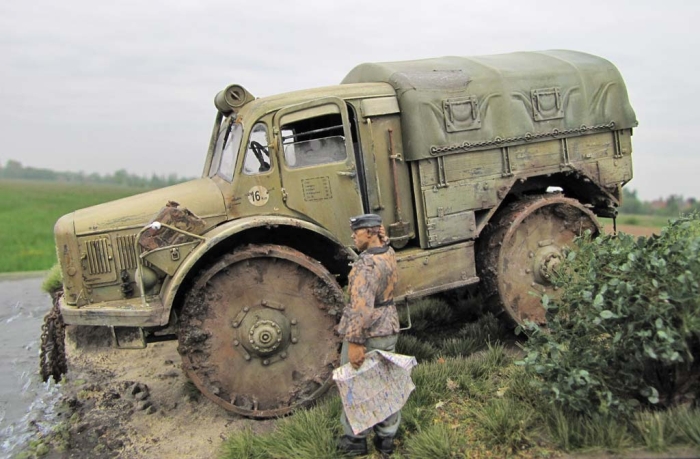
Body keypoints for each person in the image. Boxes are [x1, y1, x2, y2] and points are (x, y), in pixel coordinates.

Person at [337, 213, 400, 457]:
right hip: (388, 328)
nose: (353, 235)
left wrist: (354, 342)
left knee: (356, 387)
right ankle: (386, 440)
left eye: (358, 231)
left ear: (371, 232)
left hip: (369, 333)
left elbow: (361, 310)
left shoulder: (366, 265)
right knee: (386, 385)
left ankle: (355, 441)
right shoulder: (388, 253)